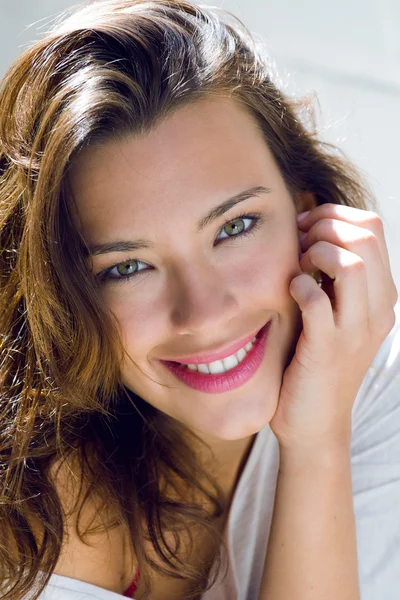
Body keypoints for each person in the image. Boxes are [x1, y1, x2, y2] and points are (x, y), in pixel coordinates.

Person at [0, 0, 399, 599]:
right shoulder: (31, 511)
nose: (206, 313)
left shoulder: (368, 381)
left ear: (307, 208)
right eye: (128, 267)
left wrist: (318, 441)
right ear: (62, 294)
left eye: (234, 227)